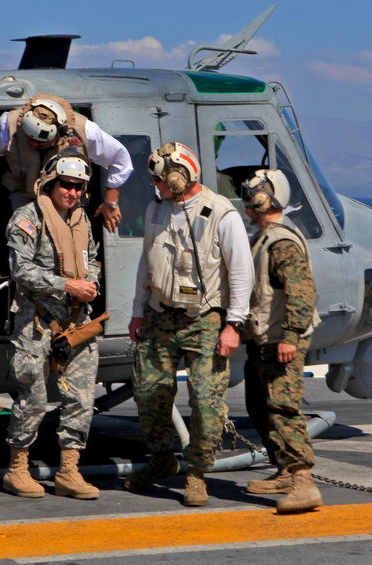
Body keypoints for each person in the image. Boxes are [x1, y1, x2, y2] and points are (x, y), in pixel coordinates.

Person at [125, 142, 254, 507]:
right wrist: (138, 310)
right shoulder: (156, 210)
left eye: (160, 180)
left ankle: (196, 473)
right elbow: (145, 263)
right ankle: (161, 460)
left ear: (179, 178)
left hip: (205, 320)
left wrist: (234, 325)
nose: (156, 187)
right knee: (150, 393)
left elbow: (242, 273)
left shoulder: (221, 214)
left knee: (205, 399)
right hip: (159, 315)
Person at [1, 151, 102, 500]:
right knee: (33, 398)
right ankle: (17, 469)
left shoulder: (81, 220)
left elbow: (92, 260)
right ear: (50, 183)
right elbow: (21, 270)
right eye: (66, 185)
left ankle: (69, 471)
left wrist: (91, 284)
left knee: (81, 398)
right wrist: (67, 286)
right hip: (37, 322)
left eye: (79, 187)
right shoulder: (27, 219)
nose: (72, 192)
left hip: (77, 323)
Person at [239, 169, 323, 514]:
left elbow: (302, 292)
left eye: (252, 193)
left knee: (283, 409)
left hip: (281, 341)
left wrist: (290, 335)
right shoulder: (264, 237)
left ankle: (304, 481)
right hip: (263, 339)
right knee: (259, 406)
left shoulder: (282, 242)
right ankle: (285, 470)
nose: (246, 197)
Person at [0, 94, 132, 232]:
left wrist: (111, 202)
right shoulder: (10, 124)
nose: (32, 144)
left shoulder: (85, 131)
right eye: (29, 138)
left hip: (67, 204)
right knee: (22, 245)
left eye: (41, 141)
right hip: (25, 200)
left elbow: (120, 159)